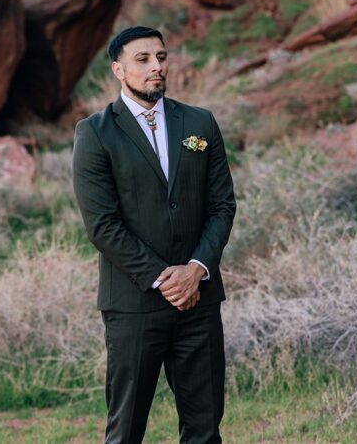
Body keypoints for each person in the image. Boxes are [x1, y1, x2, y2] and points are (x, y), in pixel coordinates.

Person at [72, 26, 236, 443]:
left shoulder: (200, 122)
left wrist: (196, 270)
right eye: (143, 59)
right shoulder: (95, 133)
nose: (156, 67)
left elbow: (222, 206)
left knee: (204, 429)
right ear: (118, 69)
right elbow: (102, 225)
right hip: (134, 303)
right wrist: (168, 279)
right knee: (126, 431)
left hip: (199, 300)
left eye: (161, 57)